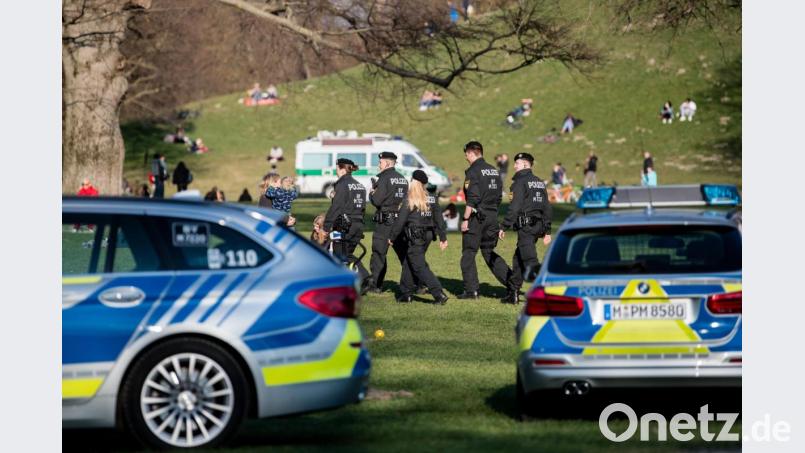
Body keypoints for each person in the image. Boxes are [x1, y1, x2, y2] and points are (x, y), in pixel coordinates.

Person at [458, 141, 513, 299]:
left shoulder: (473, 171)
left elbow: (472, 198)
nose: (466, 157)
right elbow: (498, 197)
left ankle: (471, 291)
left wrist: (465, 219)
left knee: (468, 253)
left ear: (471, 153)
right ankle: (512, 283)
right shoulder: (494, 171)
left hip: (477, 217)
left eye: (466, 154)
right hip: (492, 216)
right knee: (488, 252)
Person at [389, 170, 450, 304]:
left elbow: (400, 221)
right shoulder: (432, 197)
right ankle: (406, 293)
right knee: (408, 261)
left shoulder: (410, 198)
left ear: (414, 182)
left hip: (415, 235)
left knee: (419, 266)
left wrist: (391, 237)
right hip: (428, 235)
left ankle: (438, 293)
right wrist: (443, 238)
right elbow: (439, 219)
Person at [499, 153, 552, 304]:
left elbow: (514, 208)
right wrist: (547, 230)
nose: (514, 166)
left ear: (524, 165)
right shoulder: (539, 182)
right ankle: (513, 293)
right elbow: (547, 207)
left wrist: (504, 226)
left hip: (526, 227)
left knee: (530, 261)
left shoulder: (520, 183)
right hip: (537, 227)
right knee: (518, 259)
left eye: (517, 163)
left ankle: (545, 294)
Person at [367, 151, 409, 293]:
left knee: (379, 254)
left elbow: (377, 200)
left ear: (387, 163)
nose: (379, 165)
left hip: (385, 222)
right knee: (404, 254)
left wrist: (371, 193)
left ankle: (376, 285)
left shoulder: (383, 179)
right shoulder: (403, 179)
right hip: (400, 221)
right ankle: (415, 283)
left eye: (380, 162)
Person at [323, 158, 370, 286]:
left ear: (343, 169)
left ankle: (344, 284)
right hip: (358, 224)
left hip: (344, 226)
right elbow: (362, 208)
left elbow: (336, 207)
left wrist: (326, 227)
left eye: (337, 168)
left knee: (340, 256)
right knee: (348, 254)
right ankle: (365, 278)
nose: (336, 171)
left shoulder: (342, 184)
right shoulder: (359, 185)